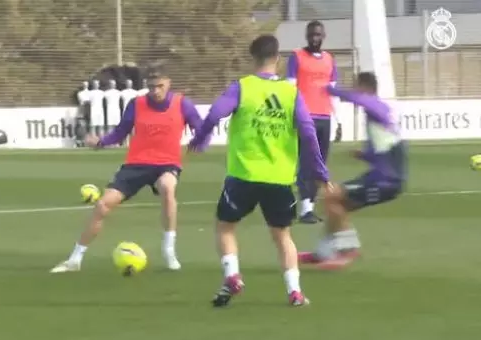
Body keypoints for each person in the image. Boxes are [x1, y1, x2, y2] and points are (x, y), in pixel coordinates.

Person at [188, 34, 330, 307]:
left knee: (226, 227)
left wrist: (201, 138)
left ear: (253, 58)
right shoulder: (291, 93)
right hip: (279, 178)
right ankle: (295, 292)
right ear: (277, 59)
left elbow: (216, 113)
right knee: (282, 236)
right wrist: (320, 171)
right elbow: (309, 133)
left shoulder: (243, 87)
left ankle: (232, 275)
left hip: (243, 175)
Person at [51, 65, 203, 273]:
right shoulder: (137, 104)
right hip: (136, 164)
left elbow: (200, 129)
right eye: (151, 87)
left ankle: (169, 250)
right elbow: (121, 132)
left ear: (168, 84)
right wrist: (101, 142)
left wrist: (200, 144)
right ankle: (75, 259)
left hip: (167, 164)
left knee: (168, 187)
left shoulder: (182, 104)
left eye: (160, 86)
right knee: (102, 206)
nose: (156, 91)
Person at [299, 72, 407, 269]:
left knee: (332, 197)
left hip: (384, 180)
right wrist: (364, 155)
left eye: (357, 87)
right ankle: (322, 253)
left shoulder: (376, 106)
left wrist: (329, 89)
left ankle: (349, 250)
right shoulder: (381, 112)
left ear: (365, 88)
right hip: (384, 176)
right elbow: (388, 150)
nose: (355, 91)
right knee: (336, 206)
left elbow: (360, 99)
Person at [287, 20, 340, 224]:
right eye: (311, 35)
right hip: (305, 117)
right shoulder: (297, 57)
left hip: (324, 117)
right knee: (307, 162)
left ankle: (309, 206)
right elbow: (290, 88)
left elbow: (332, 92)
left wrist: (338, 119)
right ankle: (305, 208)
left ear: (323, 36)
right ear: (306, 36)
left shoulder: (329, 59)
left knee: (320, 163)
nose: (314, 38)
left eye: (318, 35)